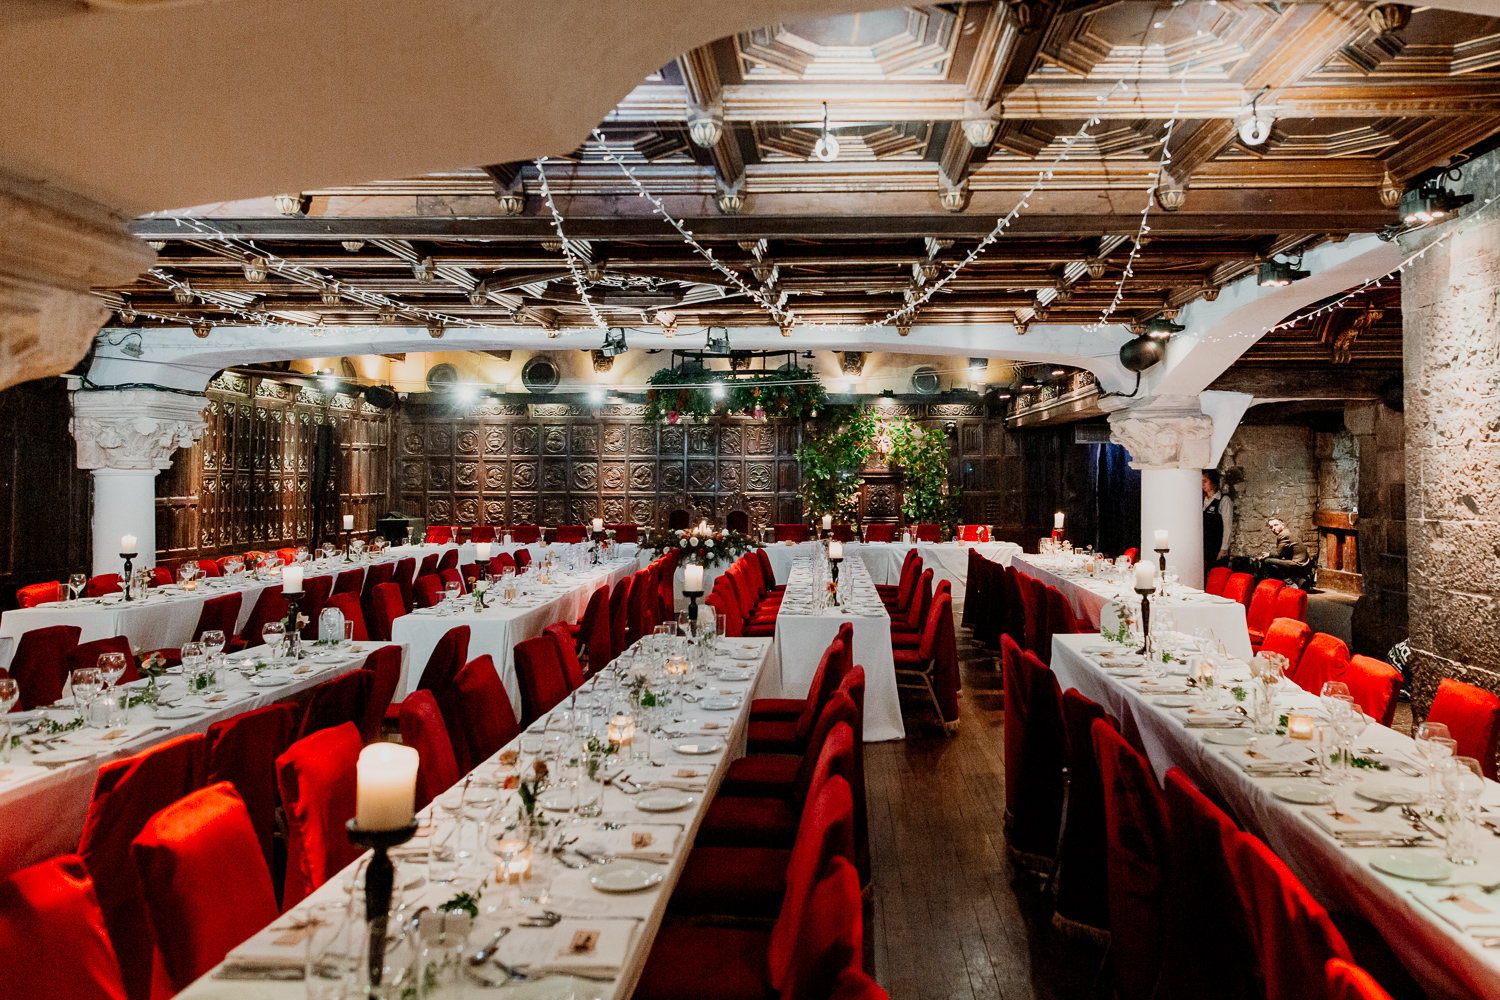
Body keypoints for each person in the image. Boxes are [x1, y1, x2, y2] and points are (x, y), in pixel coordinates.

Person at [1202, 470, 1232, 578]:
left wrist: (1224, 548)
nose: (1202, 484)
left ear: (1213, 481)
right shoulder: (1200, 500)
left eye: (1205, 481)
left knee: (1216, 577)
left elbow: (1227, 526)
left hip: (1216, 546)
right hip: (1203, 546)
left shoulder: (1223, 500)